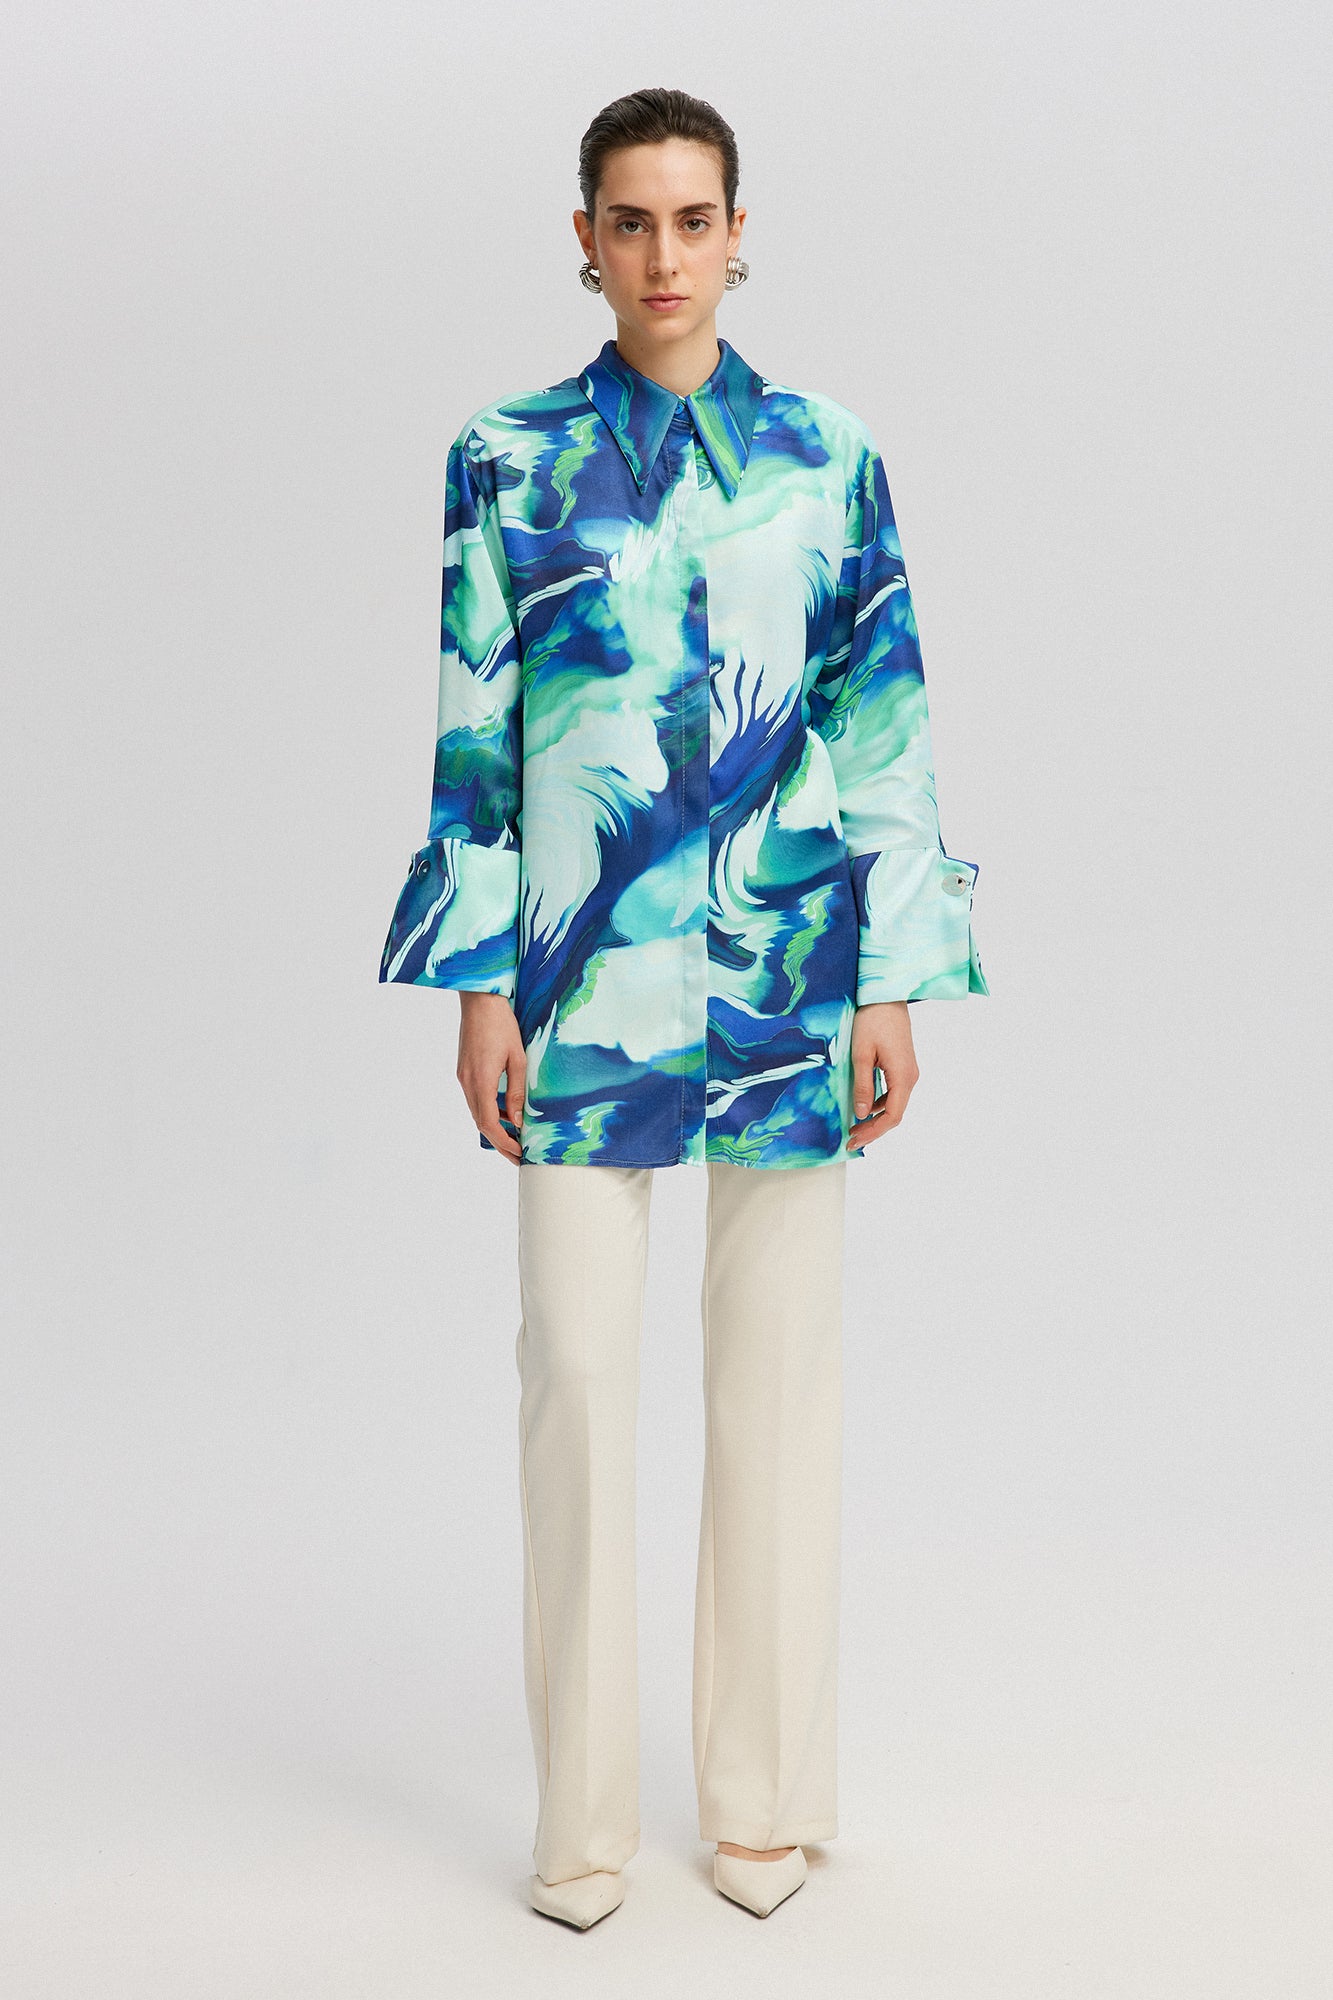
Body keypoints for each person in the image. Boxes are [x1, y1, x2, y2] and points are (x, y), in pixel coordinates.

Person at [379, 86, 989, 1929]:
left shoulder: (827, 458)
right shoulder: (503, 459)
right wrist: (475, 980)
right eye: (629, 222)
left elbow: (879, 723)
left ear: (738, 234)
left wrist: (892, 977)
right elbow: (474, 732)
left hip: (786, 978)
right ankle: (577, 1821)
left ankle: (762, 1795)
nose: (663, 255)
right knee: (574, 1377)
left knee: (775, 1389)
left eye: (693, 219)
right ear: (584, 240)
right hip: (573, 985)